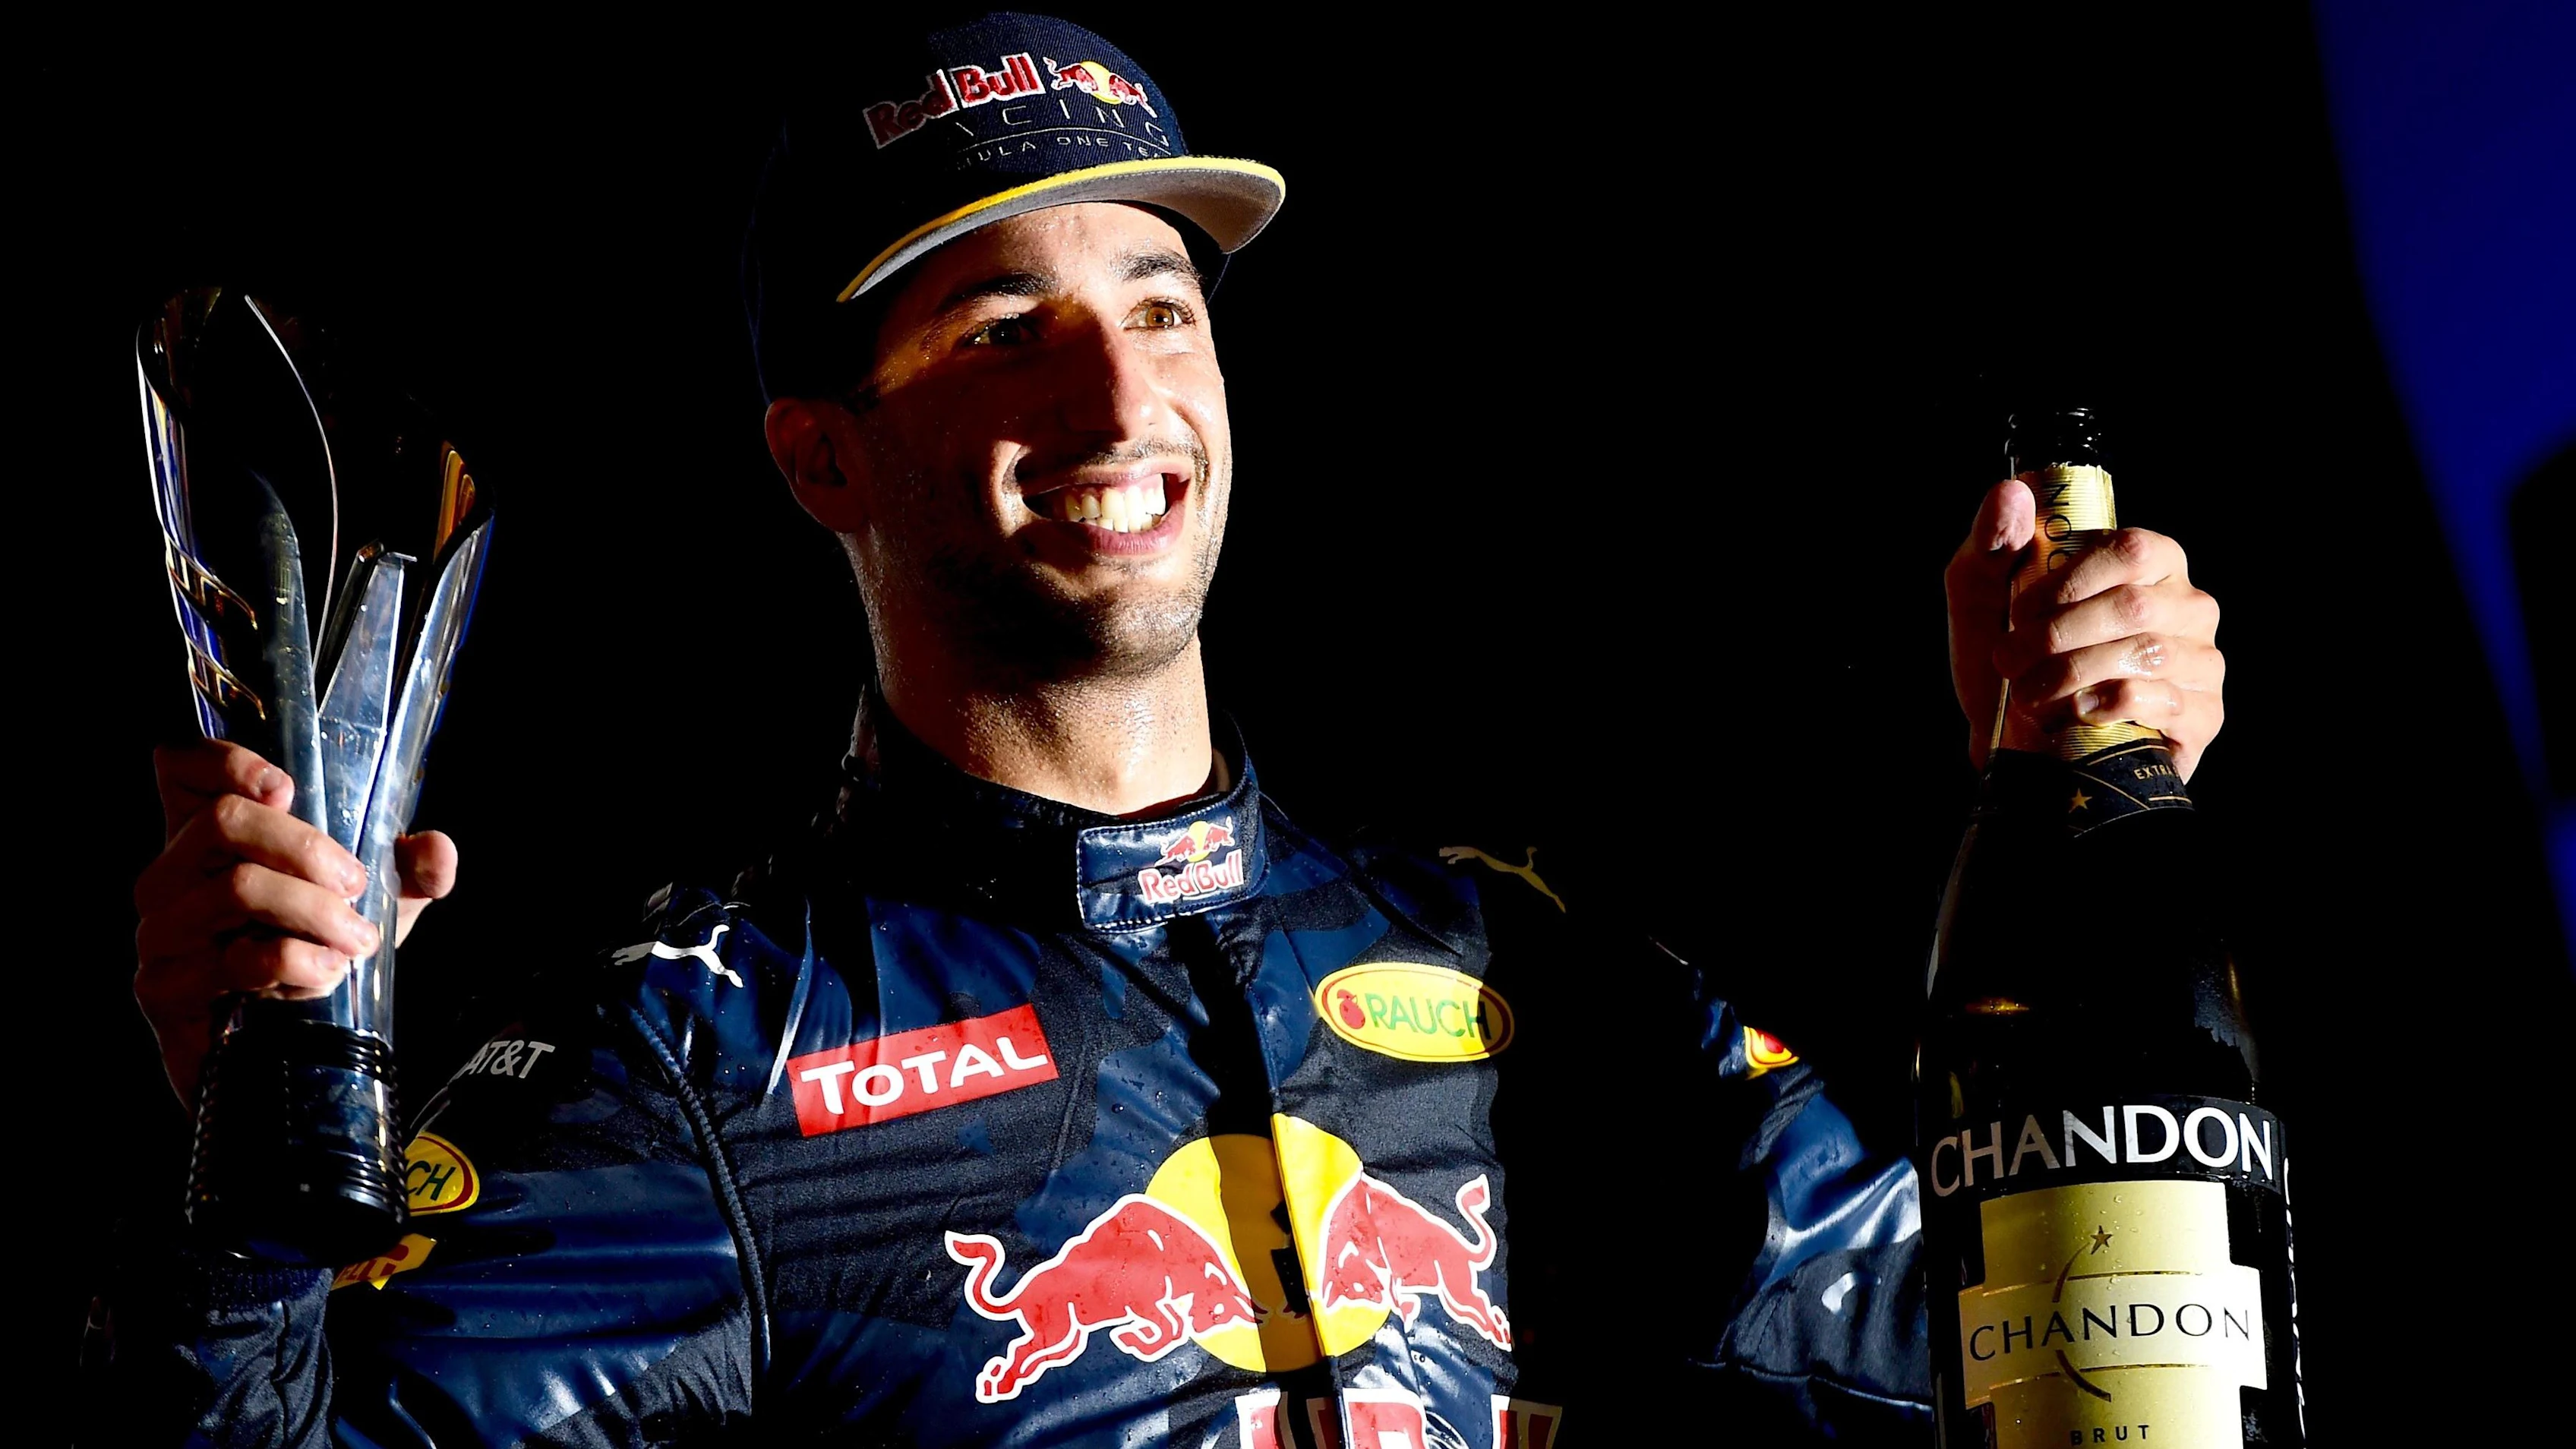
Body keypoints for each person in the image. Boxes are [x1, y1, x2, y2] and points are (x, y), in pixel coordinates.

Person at [105, 14, 2227, 1446]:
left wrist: (2091, 825)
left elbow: (2058, 1348)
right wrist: (240, 1187)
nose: (1119, 401)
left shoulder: (1532, 974)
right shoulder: (696, 1053)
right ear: (821, 457)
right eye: (1002, 330)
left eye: (1159, 306)